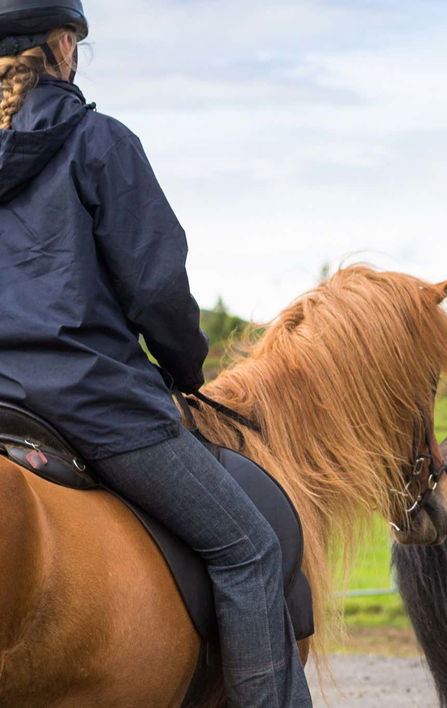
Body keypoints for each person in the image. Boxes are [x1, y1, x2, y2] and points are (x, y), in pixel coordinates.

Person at [0, 3, 311, 705]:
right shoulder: (98, 141)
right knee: (250, 549)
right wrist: (182, 369)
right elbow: (157, 285)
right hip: (93, 406)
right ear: (61, 46)